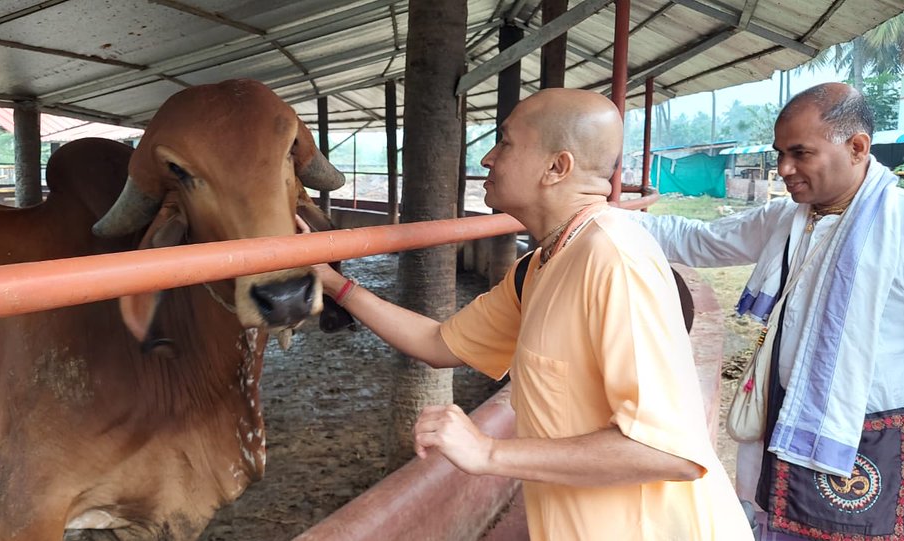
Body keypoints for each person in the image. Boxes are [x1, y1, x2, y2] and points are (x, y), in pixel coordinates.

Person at [305, 88, 752, 540]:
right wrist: (336, 284)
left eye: (505, 143)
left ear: (557, 167)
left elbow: (668, 452)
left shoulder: (614, 260)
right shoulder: (540, 265)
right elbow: (438, 344)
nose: (487, 159)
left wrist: (489, 453)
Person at [633, 83, 904, 541]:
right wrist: (600, 215)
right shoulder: (786, 219)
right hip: (784, 445)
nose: (784, 169)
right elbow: (698, 239)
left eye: (800, 153)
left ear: (856, 147)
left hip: (873, 458)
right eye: (779, 153)